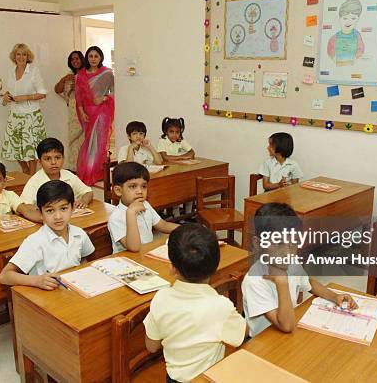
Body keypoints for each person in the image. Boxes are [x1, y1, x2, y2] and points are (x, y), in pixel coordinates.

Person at [143, 224, 247, 383]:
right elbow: (241, 335)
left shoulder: (161, 297)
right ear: (215, 267)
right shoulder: (221, 306)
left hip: (173, 379)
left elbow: (151, 346)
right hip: (207, 378)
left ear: (172, 267)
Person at [242, 202, 358, 337]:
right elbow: (286, 325)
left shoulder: (290, 262)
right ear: (258, 244)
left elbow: (308, 283)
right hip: (264, 342)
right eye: (278, 243)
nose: (287, 253)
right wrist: (282, 283)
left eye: (292, 244)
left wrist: (335, 296)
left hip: (289, 334)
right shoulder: (254, 281)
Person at [0, 180, 95, 290]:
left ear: (72, 208)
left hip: (73, 291)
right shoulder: (35, 242)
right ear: (40, 213)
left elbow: (84, 260)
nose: (58, 216)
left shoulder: (79, 234)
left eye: (63, 208)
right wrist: (37, 280)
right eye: (50, 210)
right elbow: (4, 276)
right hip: (46, 297)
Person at [108, 162, 178, 253]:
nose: (140, 191)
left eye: (144, 186)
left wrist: (187, 229)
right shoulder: (116, 218)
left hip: (147, 253)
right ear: (118, 191)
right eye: (133, 186)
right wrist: (131, 213)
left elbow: (162, 225)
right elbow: (134, 247)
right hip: (129, 261)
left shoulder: (145, 204)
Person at [1, 43, 47, 175]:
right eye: (18, 54)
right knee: (14, 146)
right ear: (14, 56)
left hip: (31, 115)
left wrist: (25, 97)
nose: (21, 57)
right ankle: (25, 169)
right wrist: (6, 96)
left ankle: (32, 176)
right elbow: (9, 90)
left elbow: (42, 93)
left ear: (28, 56)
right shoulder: (11, 71)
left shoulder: (34, 71)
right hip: (15, 114)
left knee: (31, 148)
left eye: (24, 54)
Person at [74, 46, 115, 185]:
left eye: (96, 56)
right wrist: (82, 112)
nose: (93, 59)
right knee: (89, 142)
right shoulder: (81, 75)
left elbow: (114, 93)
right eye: (90, 56)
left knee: (98, 144)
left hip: (102, 112)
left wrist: (103, 98)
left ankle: (95, 172)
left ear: (101, 58)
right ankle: (88, 171)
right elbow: (78, 96)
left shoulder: (107, 73)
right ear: (87, 58)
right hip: (87, 112)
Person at [19, 138, 93, 209]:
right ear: (40, 162)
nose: (53, 162)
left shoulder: (68, 175)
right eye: (48, 159)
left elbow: (88, 192)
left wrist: (83, 201)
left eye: (57, 158)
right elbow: (24, 205)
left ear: (63, 158)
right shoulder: (35, 181)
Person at [54, 51, 85, 171]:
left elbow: (91, 92)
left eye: (77, 58)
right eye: (72, 59)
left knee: (84, 140)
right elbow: (57, 89)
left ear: (82, 59)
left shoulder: (87, 74)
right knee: (73, 139)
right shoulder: (69, 75)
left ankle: (84, 168)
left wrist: (76, 86)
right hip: (73, 110)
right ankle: (74, 167)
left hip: (85, 111)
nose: (75, 61)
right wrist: (64, 79)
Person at [327, 0, 365, 66]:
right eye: (345, 18)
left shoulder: (357, 35)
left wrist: (356, 60)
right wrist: (334, 59)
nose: (348, 22)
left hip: (352, 66)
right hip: (338, 65)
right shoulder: (335, 37)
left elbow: (361, 49)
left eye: (353, 18)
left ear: (358, 19)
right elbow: (330, 49)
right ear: (339, 18)